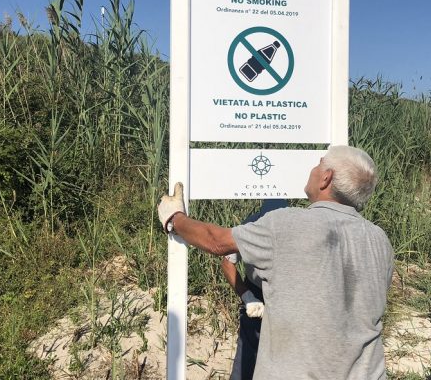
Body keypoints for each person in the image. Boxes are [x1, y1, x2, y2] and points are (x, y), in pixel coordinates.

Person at [158, 145, 395, 379]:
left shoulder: (286, 224)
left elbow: (216, 241)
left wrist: (175, 218)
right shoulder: (379, 239)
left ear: (326, 178)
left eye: (318, 163)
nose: (313, 169)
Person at [221, 199, 288, 380]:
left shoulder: (298, 230)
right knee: (246, 361)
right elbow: (227, 263)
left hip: (287, 297)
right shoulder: (250, 226)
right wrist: (247, 296)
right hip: (256, 294)